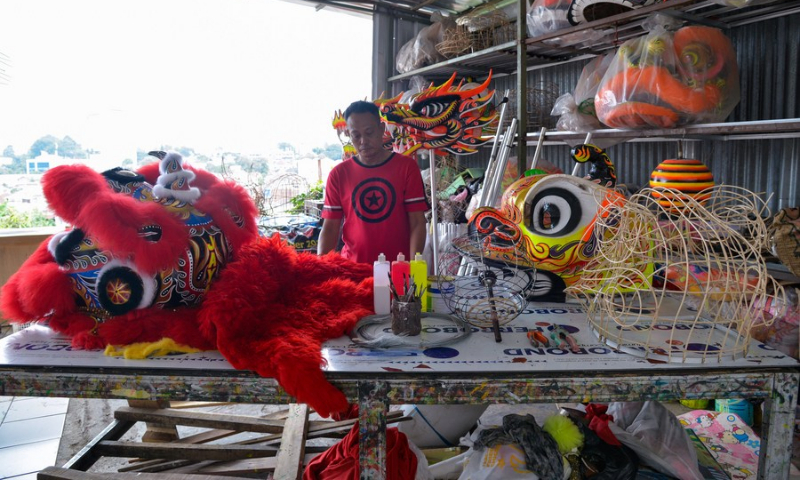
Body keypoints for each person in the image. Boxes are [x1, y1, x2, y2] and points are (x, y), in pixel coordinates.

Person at [318, 100, 429, 264]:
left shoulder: (406, 167)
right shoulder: (338, 174)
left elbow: (417, 223)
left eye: (369, 132)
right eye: (356, 135)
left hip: (397, 269)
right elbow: (330, 228)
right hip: (353, 270)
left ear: (381, 129)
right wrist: (320, 267)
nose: (363, 141)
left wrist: (412, 268)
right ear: (349, 134)